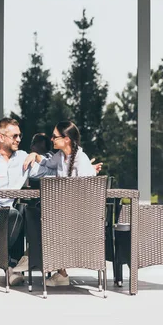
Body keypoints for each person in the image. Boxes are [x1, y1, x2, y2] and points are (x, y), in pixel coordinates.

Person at [0, 118, 53, 285]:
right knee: (13, 215)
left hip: (8, 214)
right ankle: (7, 266)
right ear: (1, 137)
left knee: (14, 215)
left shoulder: (23, 158)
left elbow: (48, 172)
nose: (19, 140)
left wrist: (37, 156)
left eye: (20, 136)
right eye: (14, 136)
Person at [20, 120, 96, 286]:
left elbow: (87, 194)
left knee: (36, 214)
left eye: (55, 137)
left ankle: (32, 255)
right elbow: (46, 163)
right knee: (32, 211)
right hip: (62, 211)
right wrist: (34, 155)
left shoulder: (81, 160)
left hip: (78, 216)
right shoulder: (60, 156)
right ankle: (51, 268)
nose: (52, 140)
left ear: (66, 139)